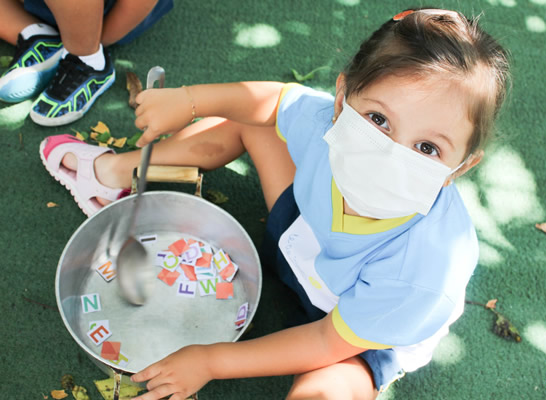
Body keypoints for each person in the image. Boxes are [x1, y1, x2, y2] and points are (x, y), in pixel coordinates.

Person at [39, 7, 510, 399]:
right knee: (254, 122)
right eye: (379, 119)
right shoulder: (325, 123)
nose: (391, 152)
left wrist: (210, 360)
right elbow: (273, 102)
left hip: (363, 333)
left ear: (460, 167)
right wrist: (189, 101)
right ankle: (114, 174)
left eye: (428, 148)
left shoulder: (425, 274)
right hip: (303, 239)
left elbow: (327, 339)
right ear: (341, 98)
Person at [0, 0, 173, 126]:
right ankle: (35, 34)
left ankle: (88, 60)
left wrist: (91, 44)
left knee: (84, 43)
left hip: (104, 13)